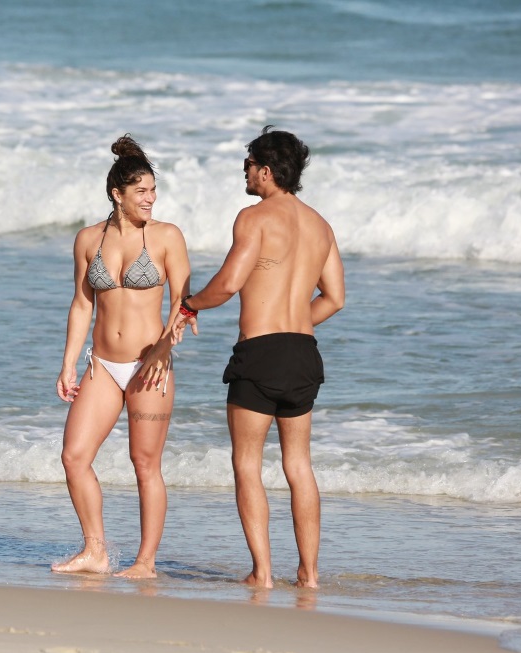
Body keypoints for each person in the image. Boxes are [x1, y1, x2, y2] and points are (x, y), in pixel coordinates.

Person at [165, 126, 345, 588]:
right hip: (303, 353)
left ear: (265, 171)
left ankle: (263, 573)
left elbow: (226, 285)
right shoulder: (320, 225)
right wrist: (294, 325)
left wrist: (188, 305)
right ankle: (309, 574)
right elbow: (335, 298)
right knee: (298, 465)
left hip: (260, 353)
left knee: (247, 462)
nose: (244, 172)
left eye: (247, 165)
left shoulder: (255, 217)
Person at [54, 135, 190, 579]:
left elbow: (182, 304)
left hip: (149, 367)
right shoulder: (89, 239)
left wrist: (166, 346)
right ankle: (95, 549)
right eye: (142, 192)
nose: (150, 199)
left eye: (153, 191)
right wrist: (69, 362)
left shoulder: (167, 237)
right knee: (74, 456)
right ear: (118, 194)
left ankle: (145, 563)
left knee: (145, 463)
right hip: (103, 366)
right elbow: (81, 304)